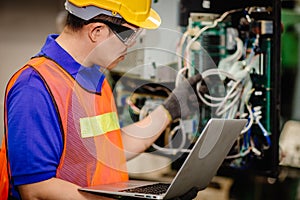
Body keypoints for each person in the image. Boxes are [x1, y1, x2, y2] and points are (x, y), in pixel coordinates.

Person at [0, 0, 204, 199]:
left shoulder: (95, 78)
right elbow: (36, 190)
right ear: (96, 31)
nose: (132, 45)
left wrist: (170, 109)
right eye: (129, 35)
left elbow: (111, 149)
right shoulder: (34, 86)